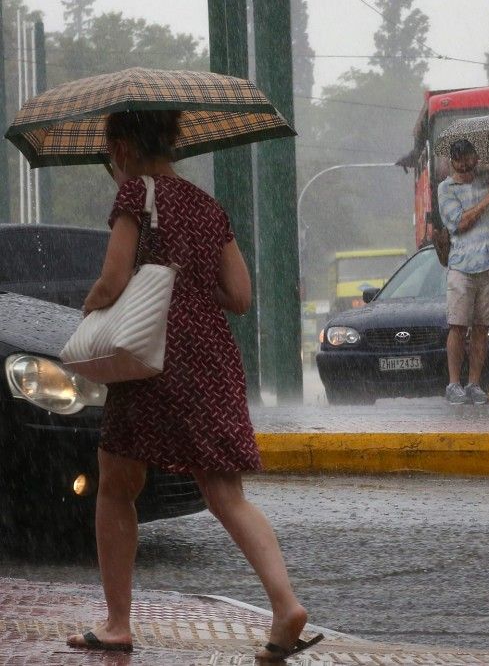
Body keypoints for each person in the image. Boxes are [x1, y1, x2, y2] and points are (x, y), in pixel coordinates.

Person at [66, 110, 321, 662]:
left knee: (116, 485)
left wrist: (88, 309)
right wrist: (187, 279)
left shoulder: (136, 193)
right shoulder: (207, 205)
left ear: (124, 145)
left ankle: (117, 624)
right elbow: (240, 295)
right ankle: (284, 604)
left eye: (112, 147)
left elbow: (111, 280)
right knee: (226, 493)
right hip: (210, 357)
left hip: (151, 356)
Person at [437, 139, 489, 405]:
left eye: (469, 161)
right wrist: (488, 199)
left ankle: (474, 383)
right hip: (463, 265)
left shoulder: (488, 177)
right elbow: (460, 222)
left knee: (481, 327)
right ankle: (454, 383)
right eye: (459, 164)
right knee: (457, 326)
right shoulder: (446, 189)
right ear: (452, 163)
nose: (465, 168)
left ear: (476, 158)